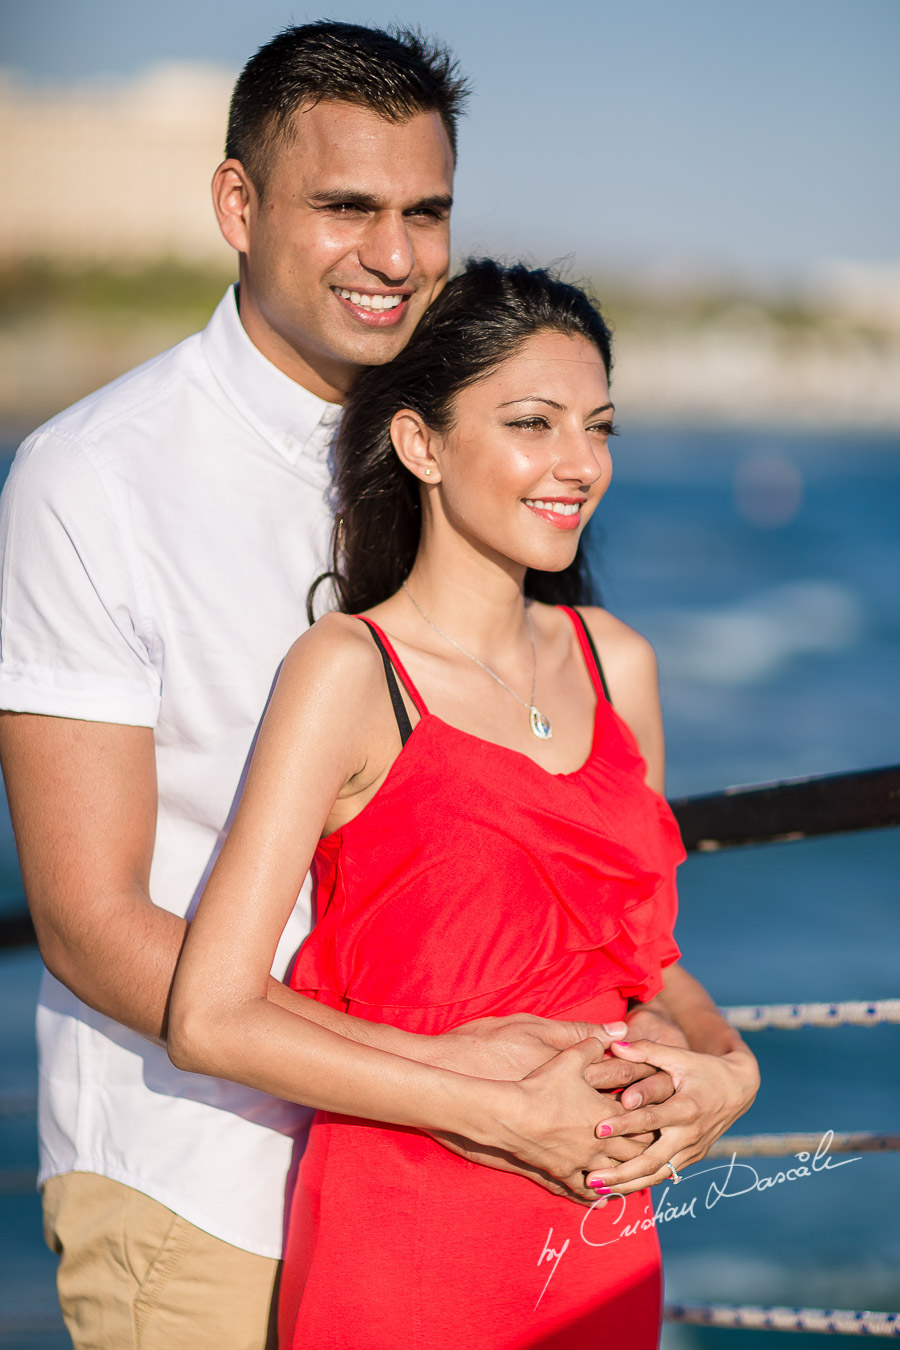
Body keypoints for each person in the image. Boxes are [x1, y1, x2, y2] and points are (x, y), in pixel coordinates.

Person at [0, 21, 696, 1349]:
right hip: (196, 1175)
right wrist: (460, 1075)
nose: (393, 254)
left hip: (464, 1189)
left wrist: (693, 1065)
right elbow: (88, 919)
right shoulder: (93, 479)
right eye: (345, 207)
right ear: (237, 204)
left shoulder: (469, 446)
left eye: (424, 211)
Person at [168, 259, 760, 1348]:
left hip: (599, 1236)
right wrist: (505, 1116)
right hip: (407, 1236)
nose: (580, 465)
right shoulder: (348, 670)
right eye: (534, 423)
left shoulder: (617, 661)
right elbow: (209, 1015)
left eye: (600, 427)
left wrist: (729, 1070)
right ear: (421, 444)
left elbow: (645, 964)